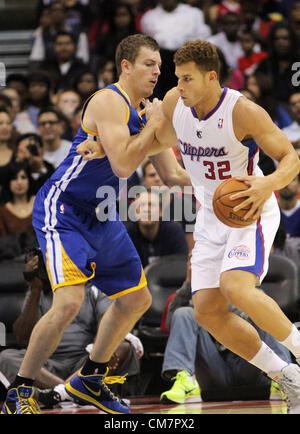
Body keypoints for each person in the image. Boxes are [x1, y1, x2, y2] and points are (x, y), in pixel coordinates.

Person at [1, 33, 190, 415]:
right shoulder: (108, 100)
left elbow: (173, 176)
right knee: (69, 302)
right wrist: (153, 126)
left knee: (138, 298)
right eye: (149, 64)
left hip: (99, 213)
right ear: (126, 65)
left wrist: (229, 181)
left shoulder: (146, 114)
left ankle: (90, 377)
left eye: (159, 66)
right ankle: (19, 390)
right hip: (63, 208)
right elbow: (123, 165)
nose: (157, 71)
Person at [146, 39, 300, 414]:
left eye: (186, 79)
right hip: (210, 217)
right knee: (206, 311)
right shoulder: (173, 104)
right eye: (176, 78)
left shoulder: (242, 111)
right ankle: (286, 374)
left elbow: (290, 159)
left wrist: (267, 183)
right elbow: (162, 141)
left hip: (249, 210)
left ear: (211, 77)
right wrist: (137, 133)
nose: (178, 87)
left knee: (237, 287)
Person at [0, 249, 142, 408]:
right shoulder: (37, 291)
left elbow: (107, 325)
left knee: (120, 346)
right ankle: (72, 393)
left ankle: (55, 394)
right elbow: (22, 338)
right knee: (6, 357)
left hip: (83, 361)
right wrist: (35, 289)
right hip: (46, 364)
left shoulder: (93, 287)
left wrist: (103, 352)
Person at [159, 256, 292, 405]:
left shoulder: (243, 288)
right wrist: (190, 283)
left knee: (263, 309)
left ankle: (284, 378)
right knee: (183, 313)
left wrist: (223, 296)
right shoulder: (193, 293)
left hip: (252, 364)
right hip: (213, 367)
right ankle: (185, 381)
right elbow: (170, 324)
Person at [125, 189, 189, 268]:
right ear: (135, 211)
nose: (147, 210)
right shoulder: (127, 235)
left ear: (160, 211)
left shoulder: (174, 232)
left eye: (151, 205)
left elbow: (182, 265)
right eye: (141, 205)